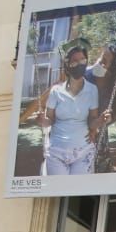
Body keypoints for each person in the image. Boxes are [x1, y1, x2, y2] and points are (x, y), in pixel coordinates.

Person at [41, 43, 101, 175]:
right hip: (56, 152)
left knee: (80, 190)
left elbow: (92, 121)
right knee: (58, 191)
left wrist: (100, 121)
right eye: (75, 61)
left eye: (83, 60)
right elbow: (49, 120)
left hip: (83, 152)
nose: (80, 64)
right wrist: (42, 120)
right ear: (67, 66)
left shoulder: (92, 90)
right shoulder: (56, 91)